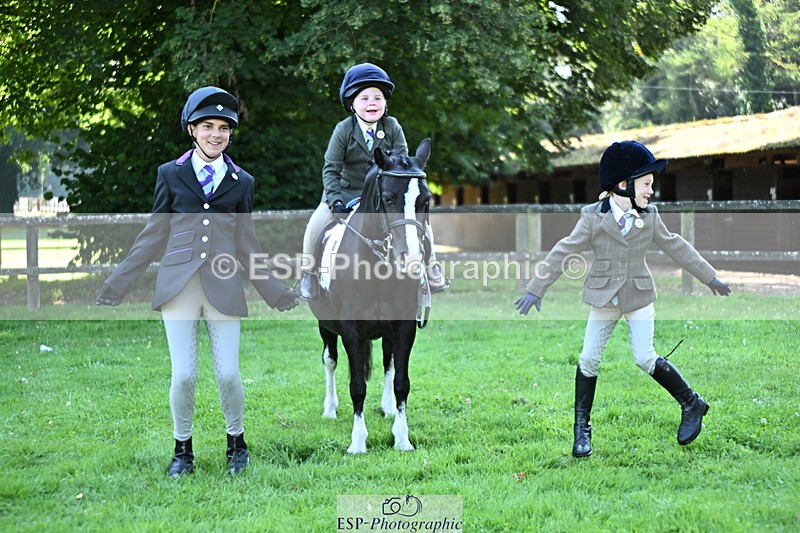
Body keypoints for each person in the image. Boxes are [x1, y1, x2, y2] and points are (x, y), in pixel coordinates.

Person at [96, 86, 299, 477]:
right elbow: (154, 234)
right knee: (185, 374)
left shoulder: (242, 181)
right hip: (179, 287)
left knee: (228, 374)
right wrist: (117, 283)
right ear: (192, 129)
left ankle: (236, 444)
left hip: (224, 288)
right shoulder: (170, 175)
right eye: (207, 126)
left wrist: (276, 293)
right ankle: (182, 450)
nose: (216, 134)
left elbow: (247, 244)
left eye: (224, 128)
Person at [515, 140, 731, 457]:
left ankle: (692, 402)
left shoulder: (651, 215)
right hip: (604, 297)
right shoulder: (593, 217)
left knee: (644, 357)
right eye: (646, 184)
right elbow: (565, 249)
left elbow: (676, 246)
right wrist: (537, 287)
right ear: (623, 184)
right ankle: (581, 433)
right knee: (589, 358)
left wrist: (709, 276)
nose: (650, 191)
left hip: (639, 295)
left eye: (651, 185)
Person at [299, 62, 448, 299]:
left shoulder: (392, 126)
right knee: (316, 222)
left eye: (377, 98)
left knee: (423, 224)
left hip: (384, 196)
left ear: (385, 103)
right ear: (352, 103)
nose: (372, 103)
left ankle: (431, 266)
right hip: (346, 193)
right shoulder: (343, 130)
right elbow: (331, 169)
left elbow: (402, 165)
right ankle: (308, 272)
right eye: (365, 98)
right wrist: (335, 200)